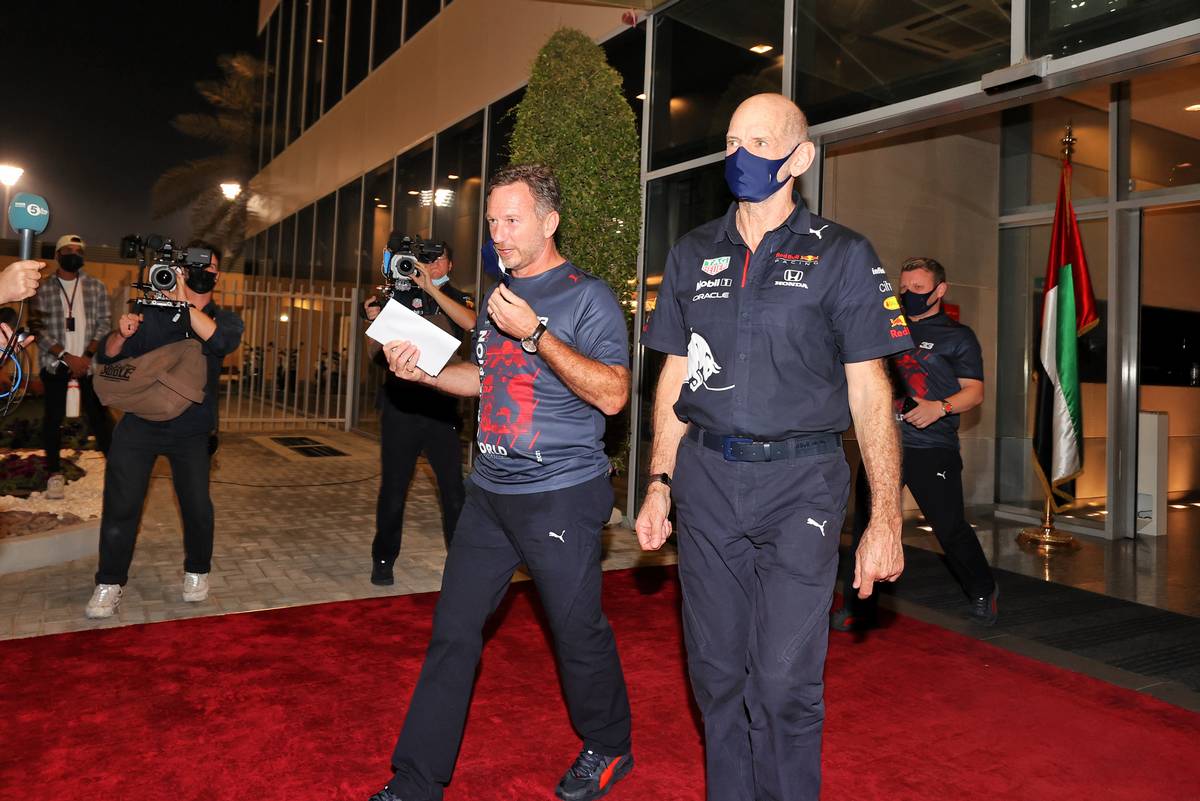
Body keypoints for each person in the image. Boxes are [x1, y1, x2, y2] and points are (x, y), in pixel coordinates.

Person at [633, 93, 910, 801]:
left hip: (803, 485)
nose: (741, 154)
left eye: (761, 140)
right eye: (732, 139)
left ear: (800, 156)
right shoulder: (694, 252)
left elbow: (872, 390)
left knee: (785, 682)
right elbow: (673, 372)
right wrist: (658, 478)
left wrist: (885, 518)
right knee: (717, 675)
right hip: (707, 483)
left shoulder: (842, 254)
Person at [368, 164, 634, 801]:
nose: (499, 234)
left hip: (561, 495)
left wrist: (536, 334)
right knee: (453, 633)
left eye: (512, 220)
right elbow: (486, 383)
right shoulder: (496, 296)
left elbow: (615, 395)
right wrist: (425, 373)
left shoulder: (585, 297)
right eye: (492, 221)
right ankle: (415, 782)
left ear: (549, 221)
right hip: (490, 493)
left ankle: (610, 742)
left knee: (577, 633)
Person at [834, 256, 997, 630]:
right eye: (904, 288)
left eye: (919, 289)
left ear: (940, 290)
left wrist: (939, 408)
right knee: (868, 525)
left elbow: (974, 393)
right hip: (882, 444)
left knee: (948, 526)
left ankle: (983, 589)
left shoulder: (959, 337)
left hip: (930, 447)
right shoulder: (886, 329)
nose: (908, 295)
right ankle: (861, 607)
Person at [84, 241, 244, 619]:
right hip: (140, 423)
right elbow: (107, 356)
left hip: (191, 430)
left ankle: (197, 572)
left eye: (210, 267)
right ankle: (109, 582)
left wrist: (182, 302)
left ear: (217, 275)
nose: (202, 272)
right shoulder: (150, 310)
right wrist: (122, 333)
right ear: (182, 270)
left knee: (196, 507)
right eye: (192, 266)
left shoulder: (226, 318)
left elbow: (220, 341)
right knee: (121, 504)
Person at [363, 241, 476, 584]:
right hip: (400, 406)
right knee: (394, 489)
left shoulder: (458, 296)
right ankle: (383, 559)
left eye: (437, 258)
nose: (429, 264)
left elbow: (469, 323)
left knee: (452, 490)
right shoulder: (395, 293)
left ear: (450, 264)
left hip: (441, 409)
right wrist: (375, 317)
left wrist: (430, 288)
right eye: (423, 260)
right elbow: (376, 353)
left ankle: (459, 563)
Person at [31, 235, 112, 500]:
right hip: (56, 364)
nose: (74, 254)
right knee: (52, 421)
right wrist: (67, 356)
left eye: (79, 251)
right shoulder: (43, 289)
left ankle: (118, 471)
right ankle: (54, 475)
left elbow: (104, 323)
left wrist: (86, 356)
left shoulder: (96, 286)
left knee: (100, 419)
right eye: (69, 251)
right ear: (57, 255)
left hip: (88, 364)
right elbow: (37, 329)